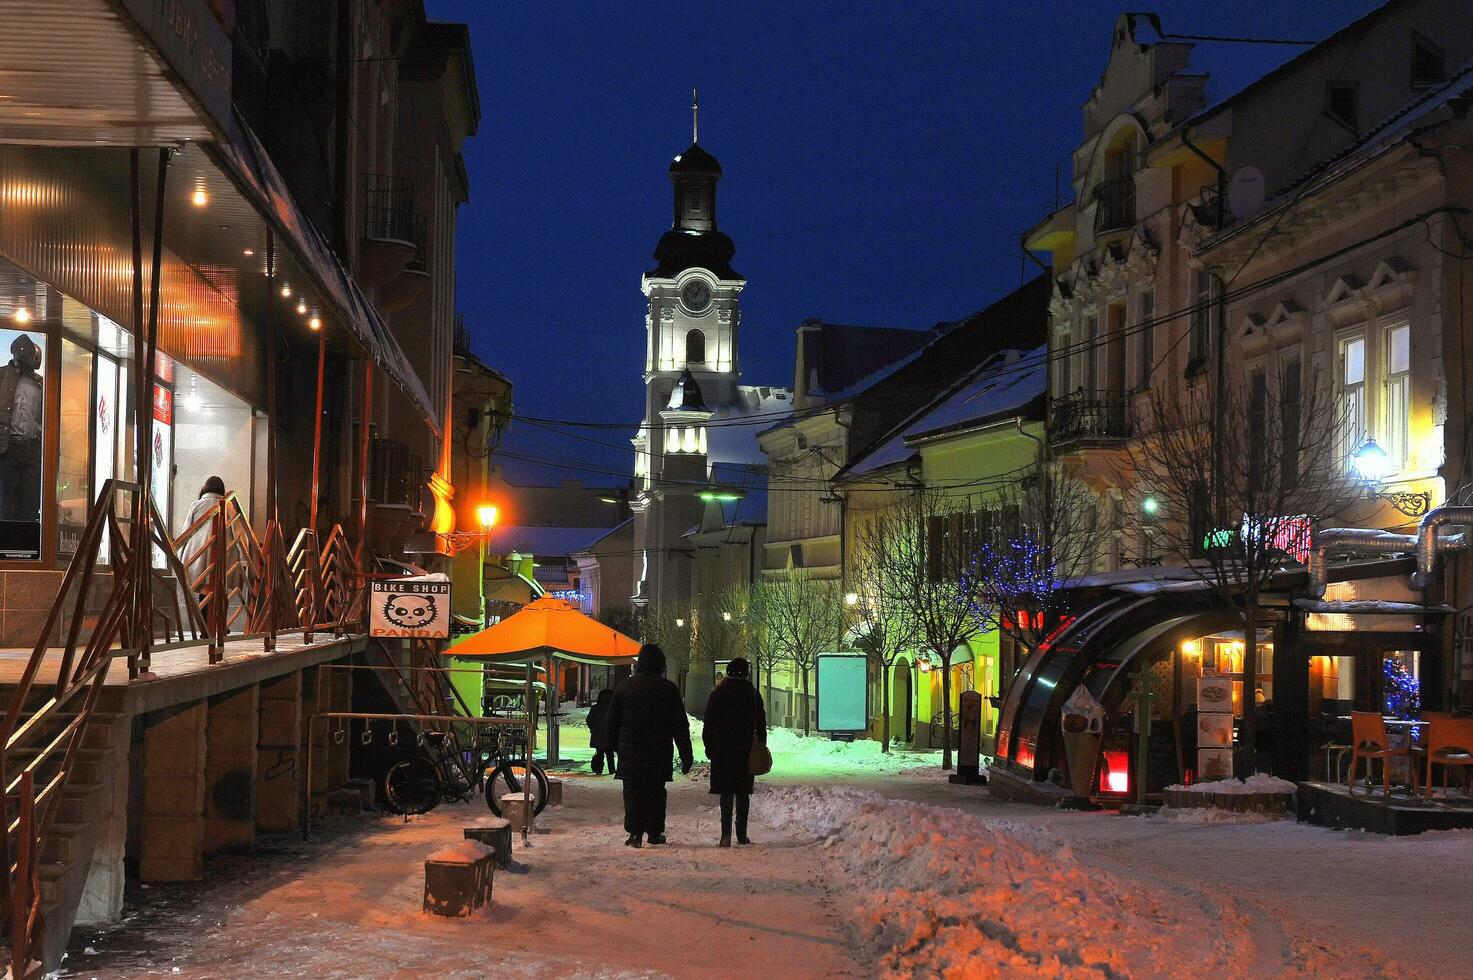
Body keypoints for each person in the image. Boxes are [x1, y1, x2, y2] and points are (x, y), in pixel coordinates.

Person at [605, 644, 692, 848]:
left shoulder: (624, 687)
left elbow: (611, 721)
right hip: (658, 751)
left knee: (633, 791)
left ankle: (635, 833)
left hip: (630, 752)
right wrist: (686, 754)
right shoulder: (668, 689)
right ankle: (654, 832)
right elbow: (680, 725)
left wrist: (614, 746)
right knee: (655, 792)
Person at [702, 657, 766, 847]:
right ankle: (742, 834)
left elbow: (709, 723)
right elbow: (760, 723)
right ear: (746, 673)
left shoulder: (718, 693)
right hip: (745, 749)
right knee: (743, 792)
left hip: (722, 749)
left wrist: (709, 746)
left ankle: (725, 835)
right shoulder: (753, 694)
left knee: (726, 792)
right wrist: (760, 745)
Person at [0, 335, 44, 525]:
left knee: (31, 499)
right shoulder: (1, 376)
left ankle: (28, 542)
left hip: (33, 448)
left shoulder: (40, 383)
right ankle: (7, 545)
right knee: (7, 498)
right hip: (8, 446)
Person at [179, 476, 227, 585]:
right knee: (215, 585)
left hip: (196, 552)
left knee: (201, 586)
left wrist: (180, 555)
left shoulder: (196, 505)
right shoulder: (228, 506)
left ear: (204, 488)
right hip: (221, 553)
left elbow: (185, 531)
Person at [586, 688, 616, 776]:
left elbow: (589, 720)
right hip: (609, 735)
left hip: (598, 735)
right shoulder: (612, 708)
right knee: (610, 754)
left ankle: (598, 770)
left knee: (600, 753)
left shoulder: (595, 708)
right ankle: (612, 770)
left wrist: (593, 729)